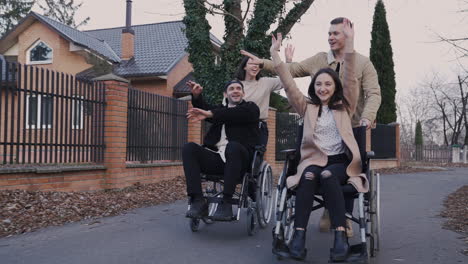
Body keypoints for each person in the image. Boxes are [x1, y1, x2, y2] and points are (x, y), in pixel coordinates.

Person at [242, 17, 381, 237]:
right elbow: (293, 70)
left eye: (335, 33)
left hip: (352, 124)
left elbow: (373, 93)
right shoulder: (319, 60)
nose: (331, 37)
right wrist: (264, 62)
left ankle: (343, 216)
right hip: (320, 122)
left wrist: (366, 117)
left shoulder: (362, 63)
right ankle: (325, 212)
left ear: (347, 36)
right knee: (318, 166)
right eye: (329, 33)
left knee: (347, 166)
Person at [266, 19, 369, 262]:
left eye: (328, 84)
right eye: (319, 84)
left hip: (340, 163)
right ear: (314, 87)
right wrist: (275, 55)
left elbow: (352, 77)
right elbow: (289, 85)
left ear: (335, 87)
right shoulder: (307, 107)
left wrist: (351, 43)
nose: (323, 88)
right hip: (313, 160)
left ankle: (340, 237)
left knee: (327, 175)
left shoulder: (346, 106)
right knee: (310, 175)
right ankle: (298, 238)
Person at [183, 80, 260, 221]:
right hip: (218, 159)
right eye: (231, 89)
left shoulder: (251, 108)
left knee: (233, 146)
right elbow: (205, 108)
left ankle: (226, 203)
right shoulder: (219, 111)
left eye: (238, 88)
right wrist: (196, 97)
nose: (235, 91)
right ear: (225, 94)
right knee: (189, 148)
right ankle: (198, 200)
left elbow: (232, 114)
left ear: (243, 93)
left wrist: (211, 114)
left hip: (240, 161)